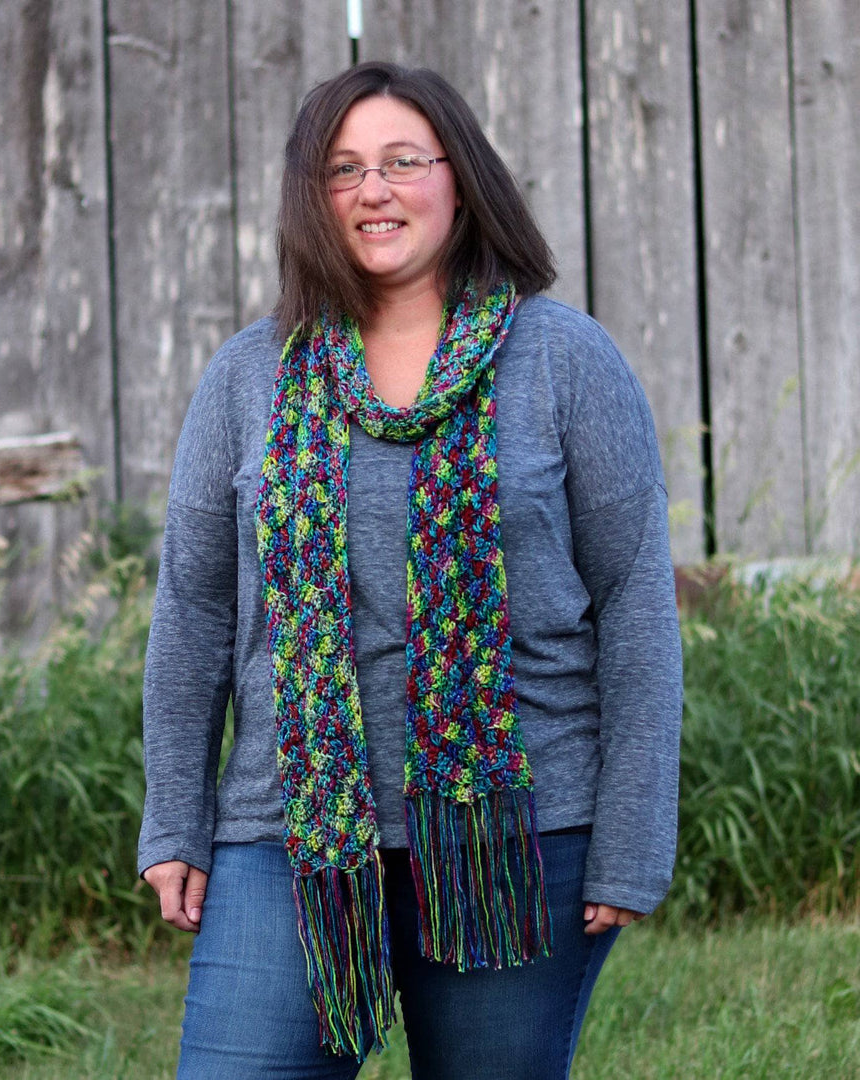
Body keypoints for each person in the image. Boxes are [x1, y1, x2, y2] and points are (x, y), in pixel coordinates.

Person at [138, 61, 682, 1079]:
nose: (373, 190)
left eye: (401, 162)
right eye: (342, 170)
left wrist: (630, 841)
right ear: (312, 198)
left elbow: (637, 607)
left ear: (461, 180)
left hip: (517, 834)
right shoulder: (251, 376)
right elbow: (195, 610)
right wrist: (175, 817)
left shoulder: (566, 361)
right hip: (286, 826)